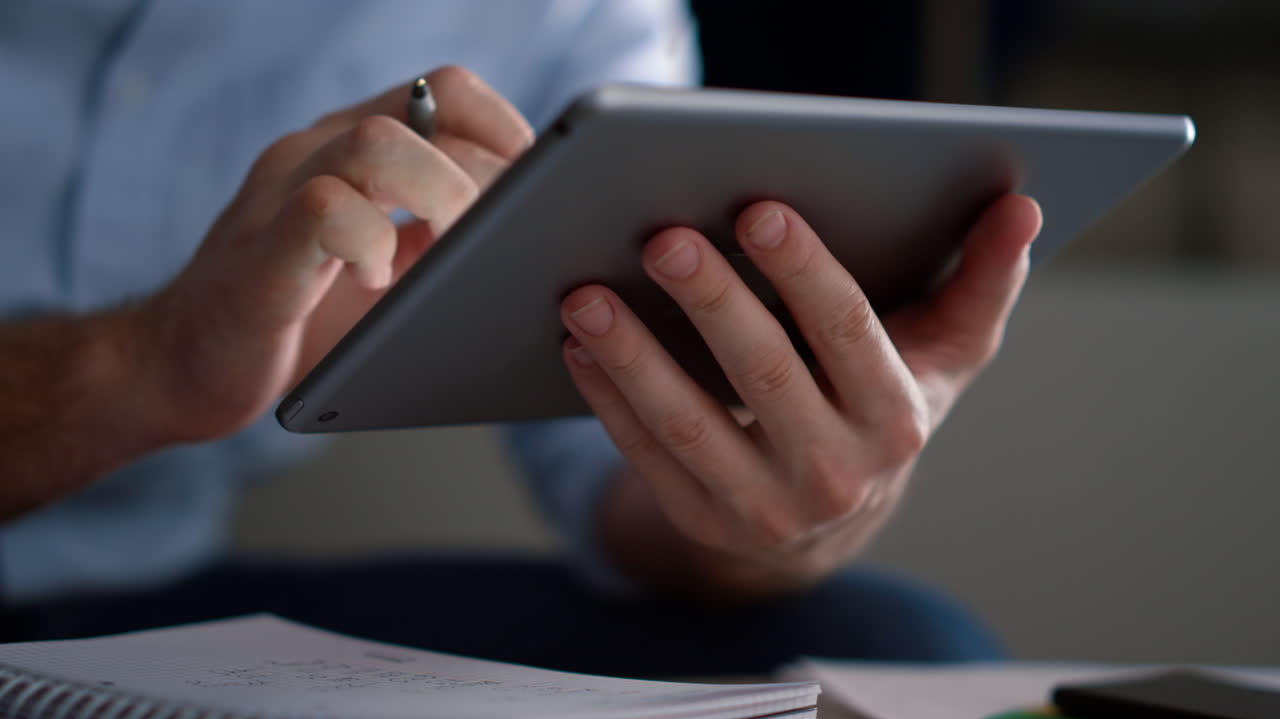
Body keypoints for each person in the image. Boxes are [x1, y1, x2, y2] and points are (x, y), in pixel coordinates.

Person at [0, 1, 1040, 675]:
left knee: (896, 649)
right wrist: (135, 369)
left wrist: (782, 502)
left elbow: (617, 476)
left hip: (161, 591)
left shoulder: (578, 18)